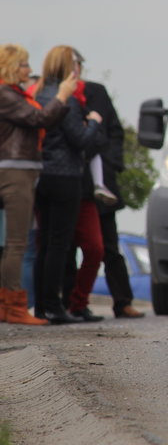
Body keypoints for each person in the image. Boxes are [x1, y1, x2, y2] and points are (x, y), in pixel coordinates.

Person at [32, 45, 107, 324]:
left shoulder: (40, 93)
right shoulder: (68, 100)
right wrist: (95, 123)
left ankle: (41, 306)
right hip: (65, 176)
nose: (78, 72)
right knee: (58, 245)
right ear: (69, 67)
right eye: (76, 66)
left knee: (43, 243)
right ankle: (55, 306)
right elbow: (81, 141)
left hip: (41, 175)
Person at [0, 44, 73, 325]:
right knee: (17, 242)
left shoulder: (11, 94)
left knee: (12, 243)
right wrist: (62, 96)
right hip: (16, 171)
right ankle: (15, 305)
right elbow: (40, 118)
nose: (29, 71)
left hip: (18, 169)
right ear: (10, 67)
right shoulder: (6, 94)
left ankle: (8, 304)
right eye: (24, 65)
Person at [83, 80, 144, 318]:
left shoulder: (96, 92)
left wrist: (112, 163)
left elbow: (116, 131)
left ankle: (122, 302)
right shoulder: (58, 93)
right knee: (68, 248)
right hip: (72, 183)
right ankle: (71, 302)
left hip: (102, 186)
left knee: (109, 247)